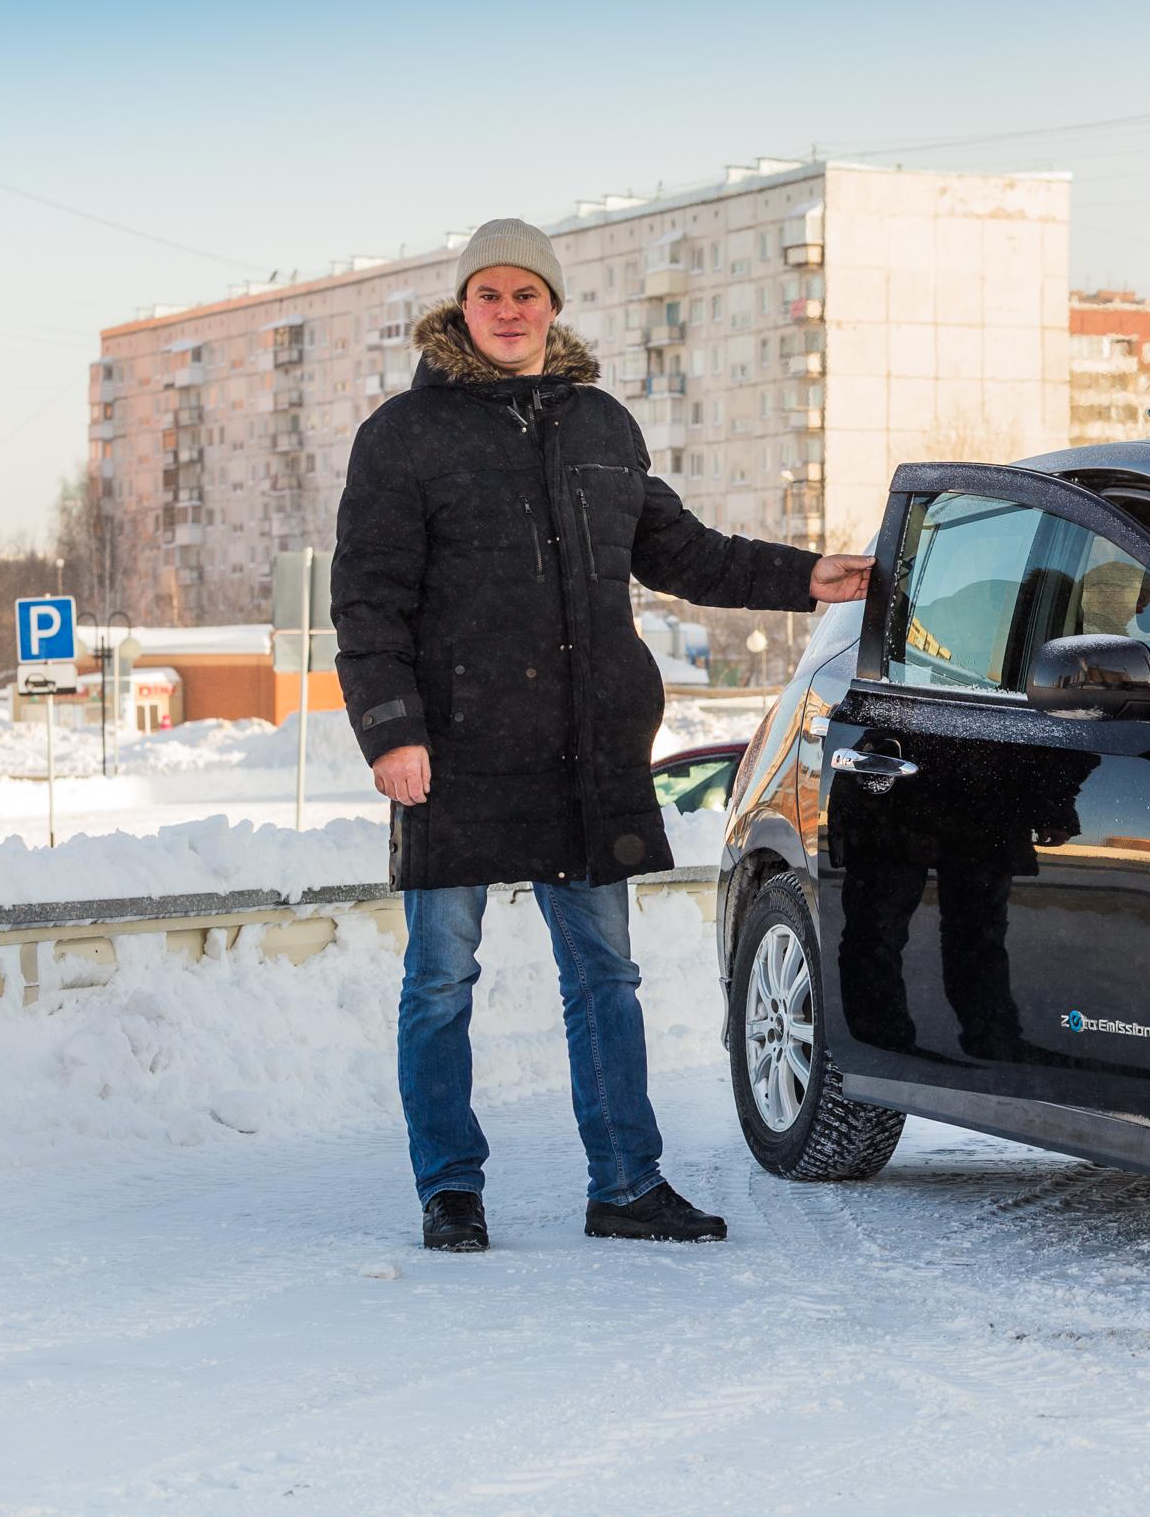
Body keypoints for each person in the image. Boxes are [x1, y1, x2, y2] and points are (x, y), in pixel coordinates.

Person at [333, 218, 870, 1252]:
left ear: (553, 306)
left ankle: (625, 1181)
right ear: (460, 307)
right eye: (488, 293)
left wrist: (806, 574)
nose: (507, 310)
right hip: (452, 754)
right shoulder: (403, 435)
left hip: (584, 752)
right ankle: (451, 1188)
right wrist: (391, 730)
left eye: (525, 293)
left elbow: (683, 551)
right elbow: (368, 599)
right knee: (441, 978)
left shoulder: (599, 425)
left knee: (605, 977)